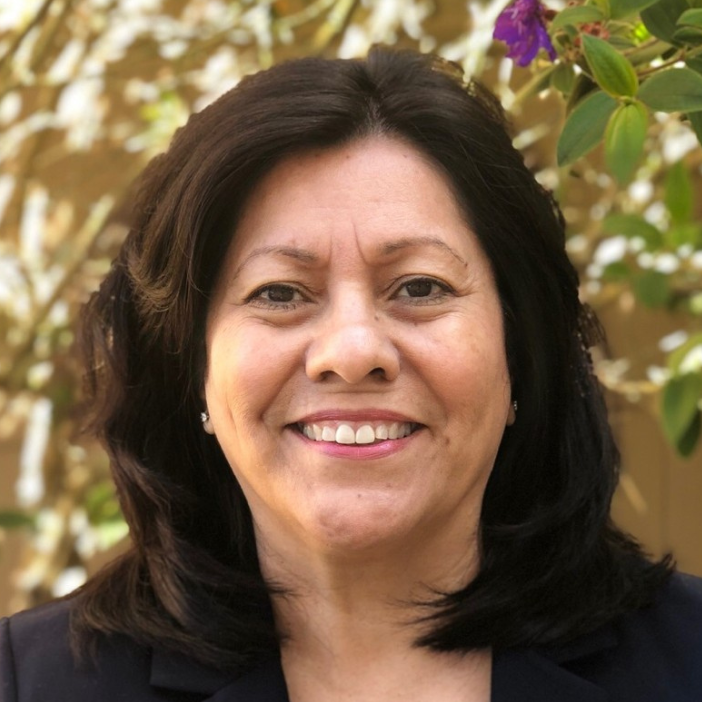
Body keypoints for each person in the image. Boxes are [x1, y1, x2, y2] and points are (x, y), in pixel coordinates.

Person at [1, 46, 701, 702]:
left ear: (522, 349)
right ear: (191, 366)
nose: (353, 350)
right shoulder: (36, 684)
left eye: (419, 287)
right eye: (279, 293)